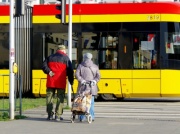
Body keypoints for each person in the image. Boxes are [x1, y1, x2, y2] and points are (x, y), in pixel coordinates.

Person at [42, 45, 74, 121]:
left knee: (49, 98)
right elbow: (70, 71)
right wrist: (71, 81)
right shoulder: (66, 58)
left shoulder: (50, 57)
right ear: (63, 50)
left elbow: (43, 66)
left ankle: (49, 115)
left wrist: (49, 71)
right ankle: (58, 115)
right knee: (60, 98)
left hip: (51, 81)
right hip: (61, 81)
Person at [75, 52, 101, 122]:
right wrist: (94, 81)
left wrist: (82, 80)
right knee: (91, 102)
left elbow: (77, 75)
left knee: (82, 102)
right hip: (91, 87)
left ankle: (81, 117)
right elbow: (98, 76)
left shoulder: (80, 66)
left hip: (82, 87)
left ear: (84, 58)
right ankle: (91, 117)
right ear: (91, 58)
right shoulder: (95, 66)